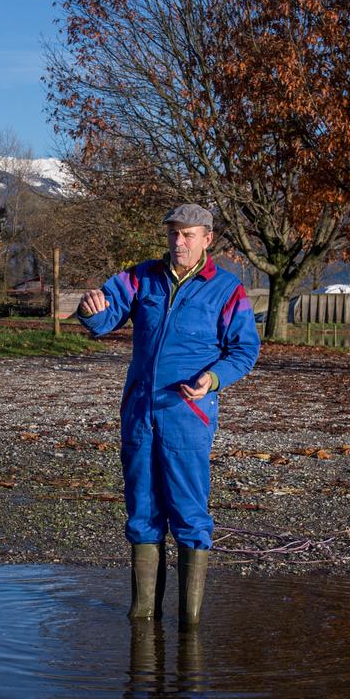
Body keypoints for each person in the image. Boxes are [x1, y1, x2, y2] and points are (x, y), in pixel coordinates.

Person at [77, 203, 260, 625]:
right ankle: (143, 617)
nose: (178, 242)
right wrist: (90, 309)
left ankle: (190, 623)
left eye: (188, 235)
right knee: (142, 511)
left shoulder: (228, 289)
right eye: (173, 234)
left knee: (190, 513)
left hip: (188, 416)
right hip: (139, 413)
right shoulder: (141, 276)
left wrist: (212, 381)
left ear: (207, 239)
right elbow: (105, 320)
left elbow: (245, 351)